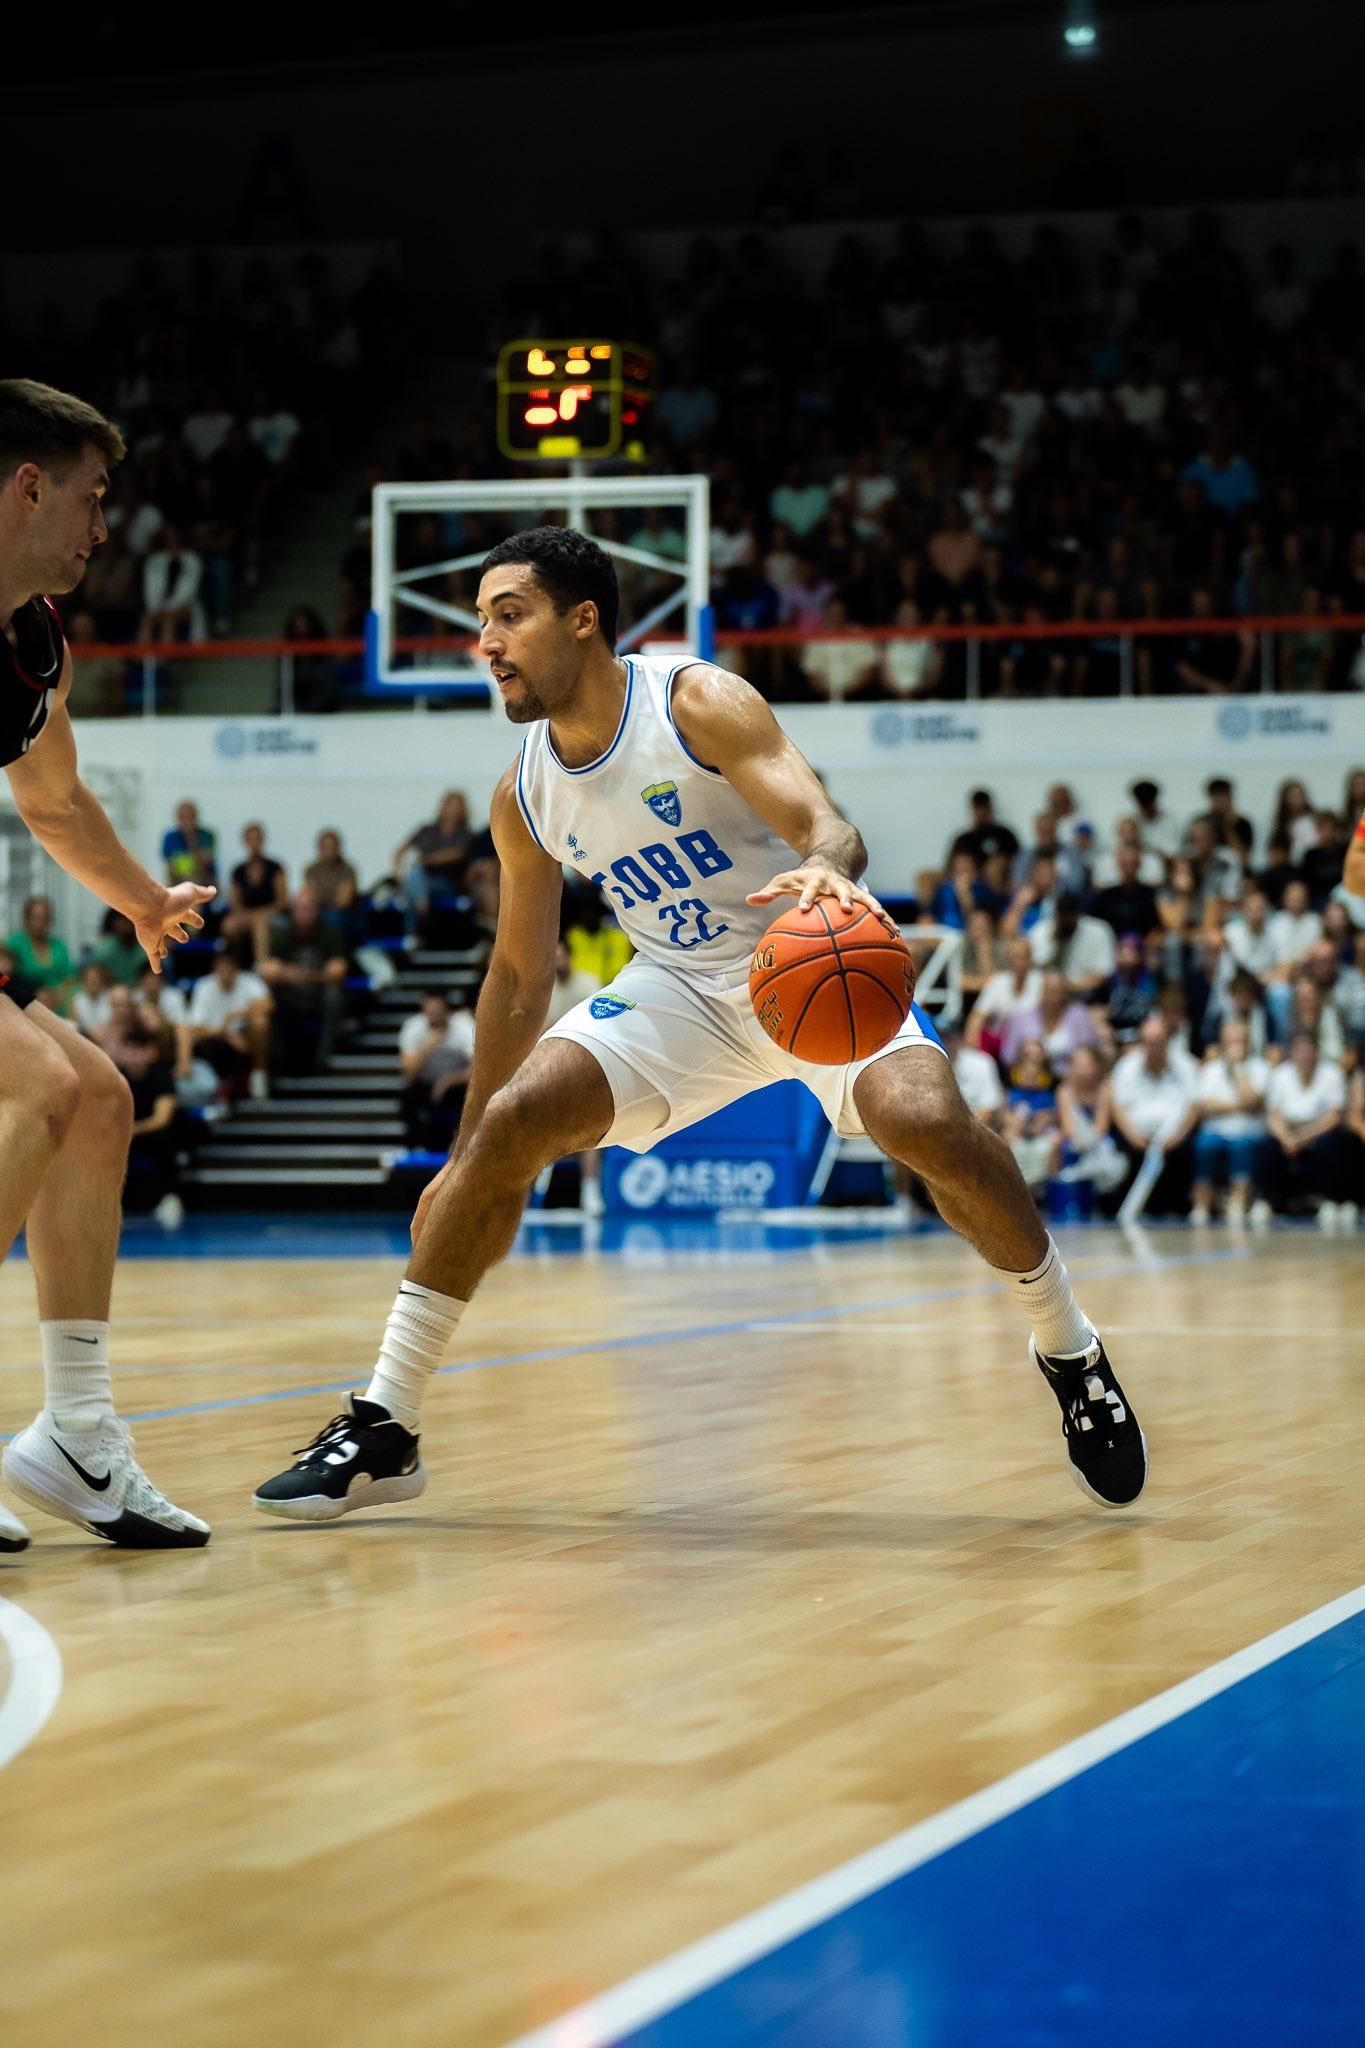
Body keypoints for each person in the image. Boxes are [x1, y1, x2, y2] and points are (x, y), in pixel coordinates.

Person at [254, 526, 1145, 1522]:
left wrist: (828, 871)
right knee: (512, 1124)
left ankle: (1069, 1346)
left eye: (510, 614)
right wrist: (462, 1154)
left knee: (925, 1123)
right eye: (480, 621)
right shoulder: (524, 792)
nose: (487, 642)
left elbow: (827, 823)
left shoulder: (692, 702)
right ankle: (386, 1422)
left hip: (804, 955)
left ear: (582, 619)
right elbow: (515, 975)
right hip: (679, 987)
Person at [0, 376, 212, 1550]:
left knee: (98, 1102)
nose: (101, 524)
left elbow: (55, 799)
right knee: (37, 1083)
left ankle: (76, 1432)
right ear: (26, 485)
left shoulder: (32, 640)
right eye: (89, 496)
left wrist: (141, 900)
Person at [1108, 1014, 1199, 1215]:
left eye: (1158, 1042)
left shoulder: (1185, 1064)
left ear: (1167, 1041)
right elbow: (1118, 1107)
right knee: (1127, 1152)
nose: (1153, 1048)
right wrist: (1133, 1137)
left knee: (1186, 1152)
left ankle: (1176, 1209)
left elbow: (1194, 1106)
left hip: (1174, 1137)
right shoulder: (1127, 1066)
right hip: (1136, 1136)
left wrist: (1177, 1137)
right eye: (1148, 1042)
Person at [1259, 1030, 1347, 1225]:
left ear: (1317, 1052)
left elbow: (1333, 1117)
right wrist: (1286, 1138)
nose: (1304, 1056)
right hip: (1289, 1129)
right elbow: (1273, 1115)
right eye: (1300, 1051)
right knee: (1267, 1145)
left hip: (1319, 1130)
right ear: (1292, 1053)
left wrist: (1302, 1138)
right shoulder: (1280, 1074)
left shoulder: (1331, 1074)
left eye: (1309, 1051)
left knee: (1333, 1143)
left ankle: (1331, 1201)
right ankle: (1268, 1202)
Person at [259, 887, 348, 1073]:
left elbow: (338, 972)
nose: (303, 913)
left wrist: (304, 975)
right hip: (291, 994)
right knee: (267, 998)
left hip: (318, 993)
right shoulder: (284, 933)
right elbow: (267, 970)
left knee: (335, 996)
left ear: (316, 910)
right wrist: (285, 973)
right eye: (299, 908)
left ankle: (323, 1060)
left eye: (307, 908)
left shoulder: (330, 931)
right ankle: (279, 1061)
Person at [1189, 1019, 1269, 1223]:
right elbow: (1203, 1106)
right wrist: (1238, 1106)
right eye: (1231, 1042)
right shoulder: (1211, 1070)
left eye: (1240, 1041)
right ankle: (1202, 1203)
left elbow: (1253, 1101)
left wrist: (1237, 1072)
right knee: (1204, 1145)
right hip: (1214, 1132)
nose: (1235, 1047)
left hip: (1248, 1133)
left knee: (1241, 1145)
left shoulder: (1259, 1068)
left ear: (1248, 1043)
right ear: (1222, 1044)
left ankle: (1238, 1201)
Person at [186, 946, 274, 1099]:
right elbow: (195, 1027)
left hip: (245, 1036)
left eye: (229, 964)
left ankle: (258, 1074)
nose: (225, 969)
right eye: (221, 965)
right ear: (214, 968)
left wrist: (234, 1016)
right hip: (216, 1038)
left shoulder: (250, 981)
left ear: (237, 967)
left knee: (260, 1023)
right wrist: (225, 1033)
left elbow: (268, 1004)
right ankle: (218, 1087)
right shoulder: (204, 986)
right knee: (195, 1038)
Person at [398, 990, 476, 1150]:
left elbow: (477, 1069)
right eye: (430, 1012)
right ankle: (415, 1144)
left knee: (472, 1096)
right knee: (407, 1095)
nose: (434, 1016)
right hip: (426, 1084)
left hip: (456, 1084)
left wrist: (447, 1081)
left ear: (447, 1010)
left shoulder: (464, 1027)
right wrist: (427, 1047)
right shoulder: (413, 1028)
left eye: (438, 1011)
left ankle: (462, 1143)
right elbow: (408, 1072)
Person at [395, 791, 474, 944]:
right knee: (415, 878)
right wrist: (398, 872)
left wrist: (428, 860)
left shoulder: (465, 834)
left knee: (414, 879)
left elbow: (457, 853)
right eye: (451, 805)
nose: (455, 810)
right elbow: (400, 851)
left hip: (448, 883)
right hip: (421, 881)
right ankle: (421, 906)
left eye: (459, 806)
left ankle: (412, 933)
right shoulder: (427, 830)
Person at [222, 821, 289, 966]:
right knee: (229, 925)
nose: (254, 843)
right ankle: (231, 966)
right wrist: (247, 915)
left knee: (260, 923)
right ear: (245, 842)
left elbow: (282, 902)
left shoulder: (275, 868)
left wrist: (262, 913)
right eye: (250, 839)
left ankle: (261, 966)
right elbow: (236, 903)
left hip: (272, 915)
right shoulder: (238, 871)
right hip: (247, 915)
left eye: (257, 839)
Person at [5, 894, 75, 1011]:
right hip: (22, 1002)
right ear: (26, 919)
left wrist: (55, 995)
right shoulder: (14, 943)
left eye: (45, 919)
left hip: (57, 1003)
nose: (41, 923)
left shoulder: (59, 946)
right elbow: (5, 975)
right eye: (36, 918)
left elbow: (69, 978)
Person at [161, 799, 219, 893]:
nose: (187, 821)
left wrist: (191, 838)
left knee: (193, 879)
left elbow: (204, 863)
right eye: (183, 817)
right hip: (178, 879)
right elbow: (170, 864)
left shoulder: (207, 835)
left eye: (190, 817)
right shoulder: (170, 837)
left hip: (204, 880)